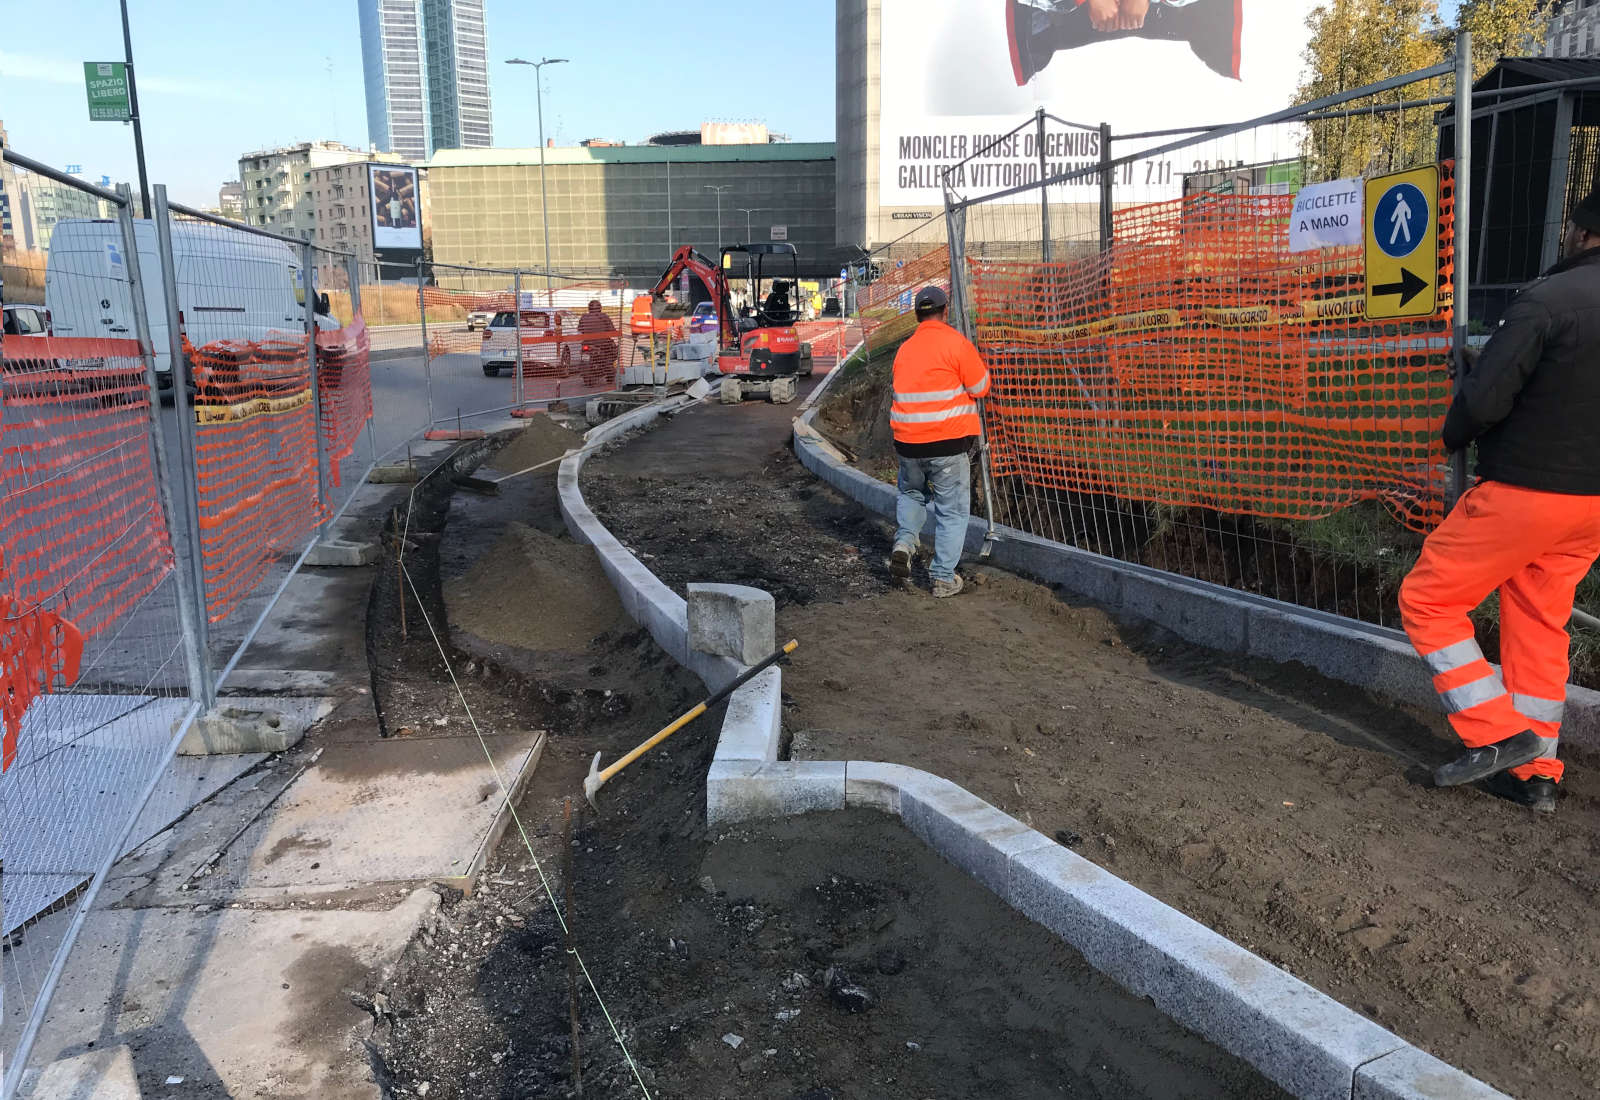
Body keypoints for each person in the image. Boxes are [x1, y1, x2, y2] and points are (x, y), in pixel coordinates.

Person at [1397, 188, 1600, 816]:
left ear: (1579, 231)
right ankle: (1537, 772)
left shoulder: (1545, 300)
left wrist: (1454, 430)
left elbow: (1484, 404)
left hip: (1525, 491)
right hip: (1591, 506)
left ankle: (1495, 732)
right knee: (1540, 624)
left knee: (1428, 601)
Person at [889, 286, 991, 598]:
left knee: (911, 494)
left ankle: (905, 542)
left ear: (917, 314)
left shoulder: (904, 349)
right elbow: (981, 386)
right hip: (948, 445)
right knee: (952, 511)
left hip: (907, 443)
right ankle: (944, 577)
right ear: (945, 312)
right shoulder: (955, 344)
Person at [576, 299, 619, 387]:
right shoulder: (604, 316)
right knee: (613, 350)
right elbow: (612, 330)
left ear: (589, 308)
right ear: (600, 308)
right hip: (603, 344)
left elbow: (580, 329)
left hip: (587, 344)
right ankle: (609, 371)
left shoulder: (584, 317)